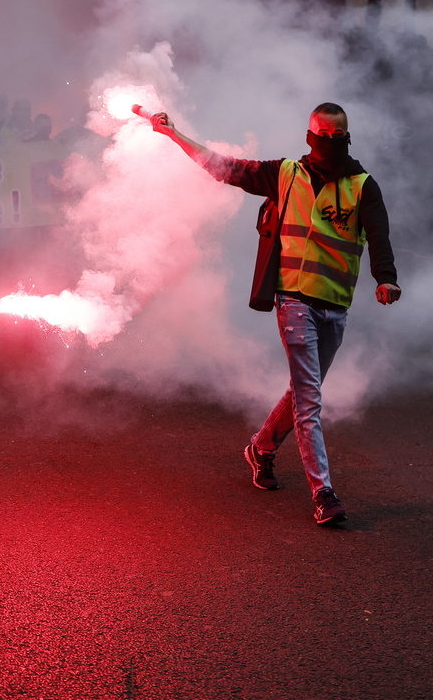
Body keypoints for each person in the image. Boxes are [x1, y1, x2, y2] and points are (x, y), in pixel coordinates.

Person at [150, 103, 400, 526]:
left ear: (347, 137)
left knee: (304, 391)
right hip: (293, 301)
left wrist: (386, 277)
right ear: (310, 135)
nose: (331, 143)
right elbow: (222, 167)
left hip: (335, 305)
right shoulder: (285, 175)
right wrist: (175, 134)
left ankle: (261, 448)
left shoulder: (362, 186)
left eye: (339, 137)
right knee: (310, 402)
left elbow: (378, 235)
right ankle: (323, 493)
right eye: (324, 135)